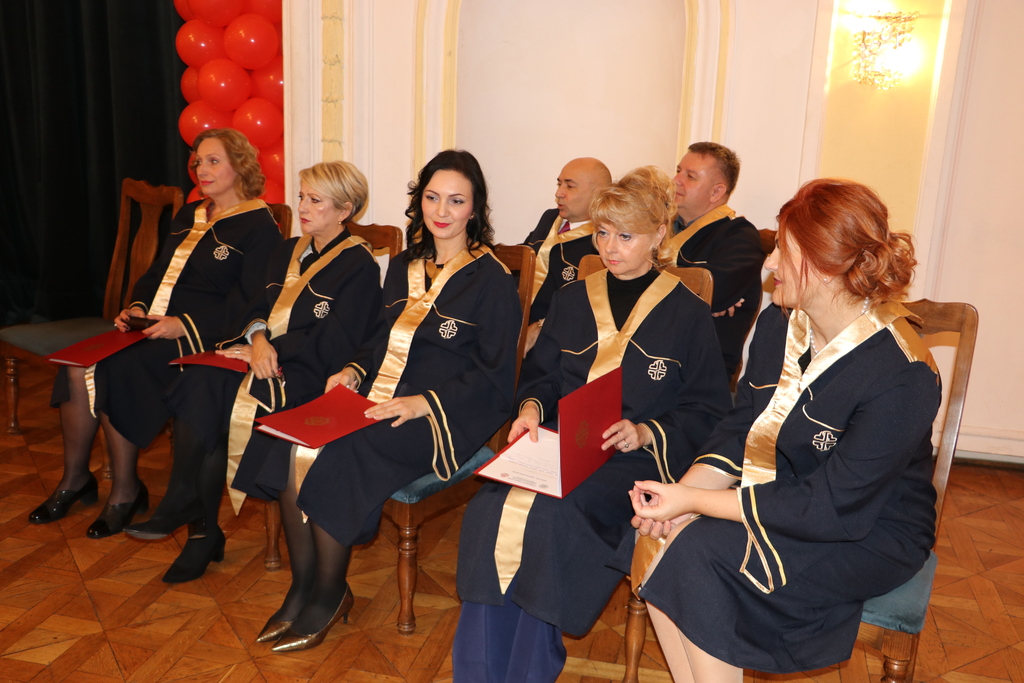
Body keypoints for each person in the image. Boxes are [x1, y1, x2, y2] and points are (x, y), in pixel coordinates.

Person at [629, 178, 941, 681]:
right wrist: (680, 498)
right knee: (660, 542)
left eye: (782, 250)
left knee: (698, 555)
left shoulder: (903, 372)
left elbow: (833, 507)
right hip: (782, 495)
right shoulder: (780, 322)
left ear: (827, 264)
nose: (769, 263)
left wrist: (693, 502)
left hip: (870, 530)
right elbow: (743, 425)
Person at [454, 167, 732, 683]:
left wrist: (646, 432)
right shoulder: (573, 298)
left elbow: (708, 409)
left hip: (633, 459)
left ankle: (530, 667)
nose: (610, 247)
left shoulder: (688, 313)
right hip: (560, 445)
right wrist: (531, 410)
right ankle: (478, 668)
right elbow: (541, 378)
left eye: (626, 236)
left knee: (553, 516)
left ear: (658, 235)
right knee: (488, 506)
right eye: (602, 233)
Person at [243, 149, 521, 652]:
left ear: (475, 208)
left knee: (343, 453)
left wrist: (423, 403)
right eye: (432, 197)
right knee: (291, 442)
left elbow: (494, 378)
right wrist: (353, 370)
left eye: (456, 200)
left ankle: (330, 593)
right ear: (419, 201)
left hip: (440, 417)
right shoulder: (404, 266)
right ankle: (302, 587)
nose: (442, 210)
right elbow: (377, 339)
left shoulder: (493, 280)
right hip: (377, 398)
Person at [124, 161, 383, 585]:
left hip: (304, 372)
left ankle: (198, 526)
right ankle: (186, 504)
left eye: (315, 201)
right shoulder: (287, 251)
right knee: (199, 380)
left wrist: (271, 351)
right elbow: (252, 305)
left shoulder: (359, 265)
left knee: (220, 403)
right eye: (301, 197)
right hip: (258, 354)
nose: (302, 207)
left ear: (344, 210)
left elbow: (337, 340)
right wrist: (258, 339)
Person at [29, 128, 282, 538]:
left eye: (213, 161)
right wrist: (138, 307)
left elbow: (252, 303)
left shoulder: (259, 225)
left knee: (116, 369)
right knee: (76, 366)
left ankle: (125, 492)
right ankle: (75, 480)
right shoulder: (191, 214)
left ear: (240, 166)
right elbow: (156, 273)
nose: (201, 169)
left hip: (204, 337)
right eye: (198, 161)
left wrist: (184, 325)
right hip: (155, 326)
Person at [667, 142, 764, 379]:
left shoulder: (739, 236)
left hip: (697, 371)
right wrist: (695, 286)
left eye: (690, 176)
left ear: (716, 192)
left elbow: (714, 292)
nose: (676, 180)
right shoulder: (657, 226)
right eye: (678, 171)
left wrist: (705, 293)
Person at [521, 157, 612, 352]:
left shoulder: (603, 240)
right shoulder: (549, 218)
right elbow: (522, 257)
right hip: (515, 320)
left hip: (554, 337)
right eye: (559, 184)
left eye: (569, 186)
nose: (558, 193)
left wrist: (541, 326)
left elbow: (587, 308)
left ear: (599, 195)